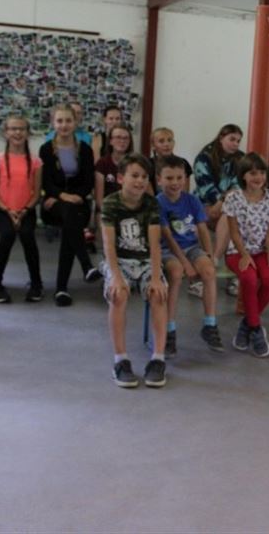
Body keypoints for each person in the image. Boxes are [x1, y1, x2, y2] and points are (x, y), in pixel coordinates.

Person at [100, 154, 168, 388]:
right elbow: (108, 245)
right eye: (135, 175)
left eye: (144, 177)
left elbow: (155, 244)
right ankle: (120, 360)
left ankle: (158, 358)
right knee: (118, 295)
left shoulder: (151, 203)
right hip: (119, 261)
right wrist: (117, 277)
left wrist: (157, 278)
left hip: (146, 261)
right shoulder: (110, 203)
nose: (140, 181)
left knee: (158, 293)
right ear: (121, 178)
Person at [157, 155, 218, 356]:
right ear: (159, 179)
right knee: (175, 274)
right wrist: (186, 264)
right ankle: (169, 330)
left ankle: (210, 324)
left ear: (185, 178)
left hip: (191, 247)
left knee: (209, 271)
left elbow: (203, 229)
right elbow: (168, 238)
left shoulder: (192, 200)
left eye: (179, 177)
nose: (175, 183)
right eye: (169, 178)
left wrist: (209, 254)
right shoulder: (158, 203)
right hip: (167, 250)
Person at [40, 104, 100, 306]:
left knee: (70, 224)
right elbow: (46, 182)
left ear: (75, 123)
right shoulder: (46, 150)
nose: (64, 125)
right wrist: (62, 195)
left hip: (79, 203)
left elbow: (88, 181)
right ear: (53, 123)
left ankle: (62, 290)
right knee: (70, 217)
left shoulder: (85, 149)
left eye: (68, 120)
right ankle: (86, 265)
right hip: (53, 204)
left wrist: (77, 196)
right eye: (59, 121)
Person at [224, 152, 269, 358]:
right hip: (237, 251)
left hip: (262, 250)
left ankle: (247, 324)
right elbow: (233, 232)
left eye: (262, 173)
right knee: (248, 279)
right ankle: (256, 329)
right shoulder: (233, 198)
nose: (258, 177)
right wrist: (244, 254)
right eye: (253, 173)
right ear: (244, 176)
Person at [0, 114, 43, 304]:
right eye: (13, 129)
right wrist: (8, 210)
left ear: (28, 133)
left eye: (21, 129)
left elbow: (36, 194)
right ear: (5, 133)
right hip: (3, 210)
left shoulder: (36, 162)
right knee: (7, 235)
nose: (17, 132)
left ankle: (36, 284)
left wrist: (24, 210)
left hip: (26, 210)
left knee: (28, 236)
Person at [194, 123, 244, 295]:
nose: (235, 144)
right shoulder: (204, 157)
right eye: (232, 139)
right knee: (200, 222)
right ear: (221, 137)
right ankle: (201, 276)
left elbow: (238, 186)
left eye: (238, 141)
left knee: (231, 218)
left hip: (226, 205)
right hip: (204, 204)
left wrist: (222, 202)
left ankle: (214, 261)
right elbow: (204, 185)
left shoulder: (240, 159)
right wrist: (219, 201)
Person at [94, 124, 134, 218]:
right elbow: (99, 200)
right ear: (110, 141)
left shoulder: (135, 163)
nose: (122, 141)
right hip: (108, 210)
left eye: (126, 138)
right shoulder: (102, 163)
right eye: (118, 137)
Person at [148, 126, 191, 193]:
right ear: (153, 146)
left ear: (174, 143)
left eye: (169, 140)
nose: (166, 144)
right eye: (161, 141)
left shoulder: (183, 163)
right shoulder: (148, 164)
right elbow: (149, 195)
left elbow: (184, 193)